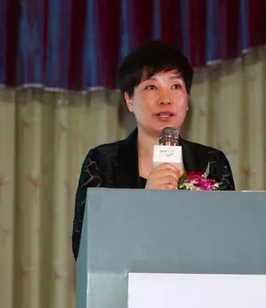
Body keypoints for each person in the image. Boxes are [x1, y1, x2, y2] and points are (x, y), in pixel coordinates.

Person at [70, 40, 236, 260]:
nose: (165, 99)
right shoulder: (102, 162)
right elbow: (85, 247)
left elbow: (230, 242)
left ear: (187, 100)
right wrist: (144, 203)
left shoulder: (212, 161)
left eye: (175, 86)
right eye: (151, 86)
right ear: (129, 100)